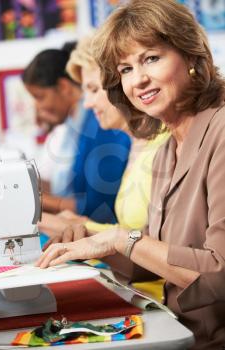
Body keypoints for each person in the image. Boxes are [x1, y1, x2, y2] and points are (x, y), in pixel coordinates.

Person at [36, 1, 225, 349]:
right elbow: (155, 262)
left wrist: (122, 238)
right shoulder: (169, 147)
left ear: (192, 56)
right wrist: (94, 244)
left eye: (151, 58)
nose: (138, 79)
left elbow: (218, 273)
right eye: (125, 69)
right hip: (179, 331)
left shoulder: (221, 132)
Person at [39, 38, 168, 302]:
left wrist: (80, 226)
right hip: (139, 290)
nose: (86, 103)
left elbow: (157, 246)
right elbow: (134, 238)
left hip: (161, 298)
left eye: (93, 89)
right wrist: (78, 227)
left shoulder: (162, 147)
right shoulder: (138, 146)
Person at [22, 42, 131, 223]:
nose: (38, 107)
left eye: (40, 97)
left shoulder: (99, 123)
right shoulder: (74, 125)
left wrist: (37, 201)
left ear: (64, 87)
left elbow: (99, 205)